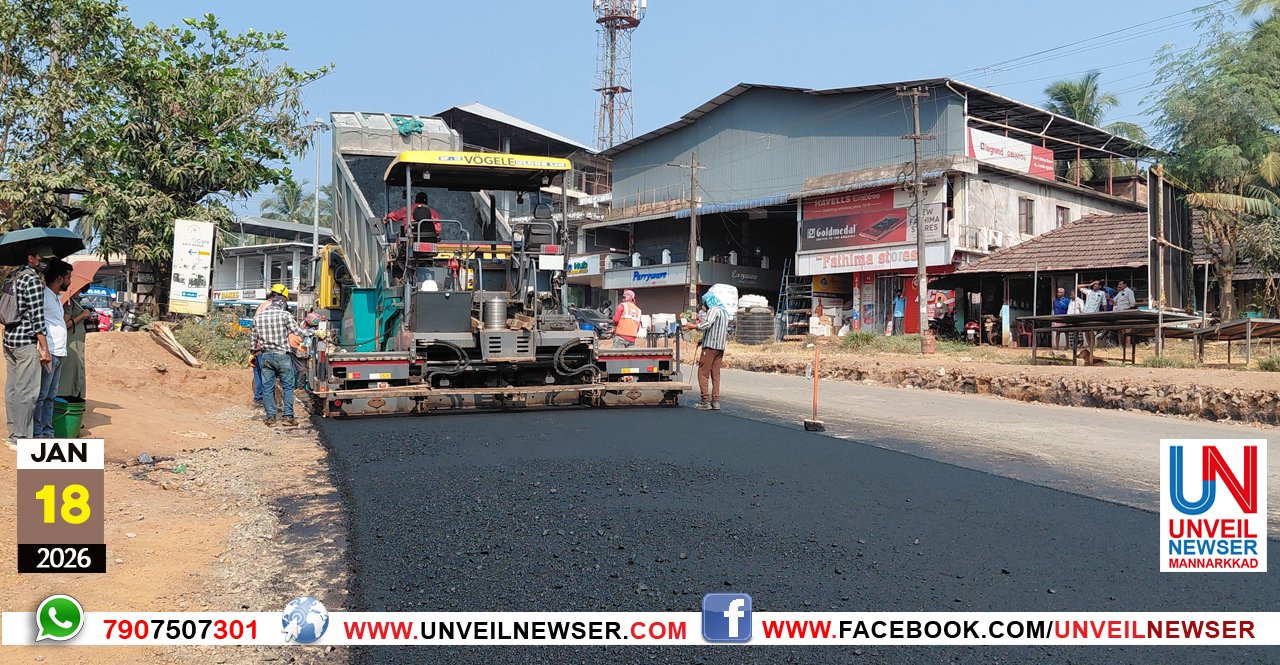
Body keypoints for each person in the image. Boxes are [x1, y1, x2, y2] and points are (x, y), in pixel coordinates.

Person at [4, 245, 55, 448]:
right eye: (43, 259)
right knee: (28, 391)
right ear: (32, 258)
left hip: (9, 339)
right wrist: (44, 348)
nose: (46, 263)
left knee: (13, 389)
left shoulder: (13, 276)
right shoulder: (32, 280)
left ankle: (12, 433)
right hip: (26, 341)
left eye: (49, 260)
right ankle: (20, 437)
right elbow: (37, 318)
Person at [251, 285, 304, 427]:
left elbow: (253, 337)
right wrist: (316, 333)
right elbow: (298, 331)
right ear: (283, 303)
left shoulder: (259, 314)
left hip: (266, 355)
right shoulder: (285, 315)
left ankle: (270, 418)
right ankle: (288, 417)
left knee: (267, 387)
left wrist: (253, 351)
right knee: (287, 386)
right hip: (282, 356)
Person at [35, 260, 72, 437]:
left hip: (58, 352)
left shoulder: (56, 298)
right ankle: (38, 432)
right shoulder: (44, 296)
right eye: (68, 277)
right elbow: (37, 322)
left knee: (50, 395)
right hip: (49, 352)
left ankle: (47, 431)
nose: (69, 281)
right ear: (59, 278)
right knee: (42, 395)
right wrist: (44, 349)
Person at [683, 292, 729, 411]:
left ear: (708, 302)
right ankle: (716, 400)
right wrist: (703, 339)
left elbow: (708, 324)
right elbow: (717, 329)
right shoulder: (724, 312)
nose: (702, 306)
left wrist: (693, 326)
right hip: (720, 347)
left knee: (703, 372)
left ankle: (705, 400)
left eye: (703, 303)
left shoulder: (714, 310)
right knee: (716, 374)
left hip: (710, 347)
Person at [59, 283, 94, 402]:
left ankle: (74, 393)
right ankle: (65, 395)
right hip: (71, 342)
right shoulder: (68, 303)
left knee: (76, 368)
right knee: (69, 369)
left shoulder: (75, 301)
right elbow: (65, 323)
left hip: (77, 342)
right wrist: (81, 315)